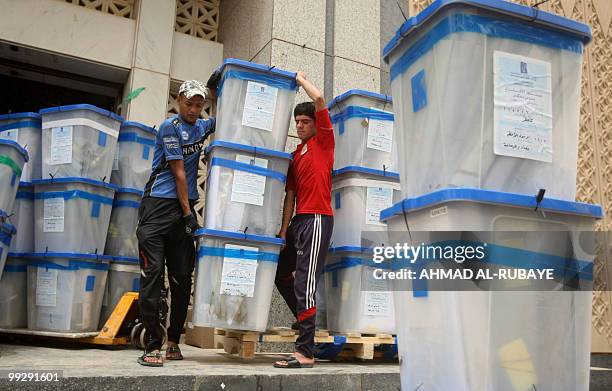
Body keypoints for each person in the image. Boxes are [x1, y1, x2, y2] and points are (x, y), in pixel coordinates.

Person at [136, 76, 220, 367]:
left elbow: (222, 116)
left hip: (183, 210)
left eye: (200, 105)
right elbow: (179, 174)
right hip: (158, 208)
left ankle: (173, 341)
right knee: (153, 275)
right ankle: (153, 343)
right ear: (178, 102)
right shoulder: (168, 127)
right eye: (189, 103)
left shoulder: (201, 126)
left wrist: (216, 88)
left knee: (183, 277)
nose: (194, 110)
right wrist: (188, 215)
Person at [273, 71, 334, 368]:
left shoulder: (324, 141)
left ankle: (306, 352)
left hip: (318, 219)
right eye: (297, 122)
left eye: (304, 122)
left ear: (315, 124)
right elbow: (290, 196)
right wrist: (284, 230)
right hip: (298, 221)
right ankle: (303, 320)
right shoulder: (296, 155)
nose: (299, 126)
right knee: (281, 272)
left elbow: (320, 98)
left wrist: (300, 80)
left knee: (305, 285)